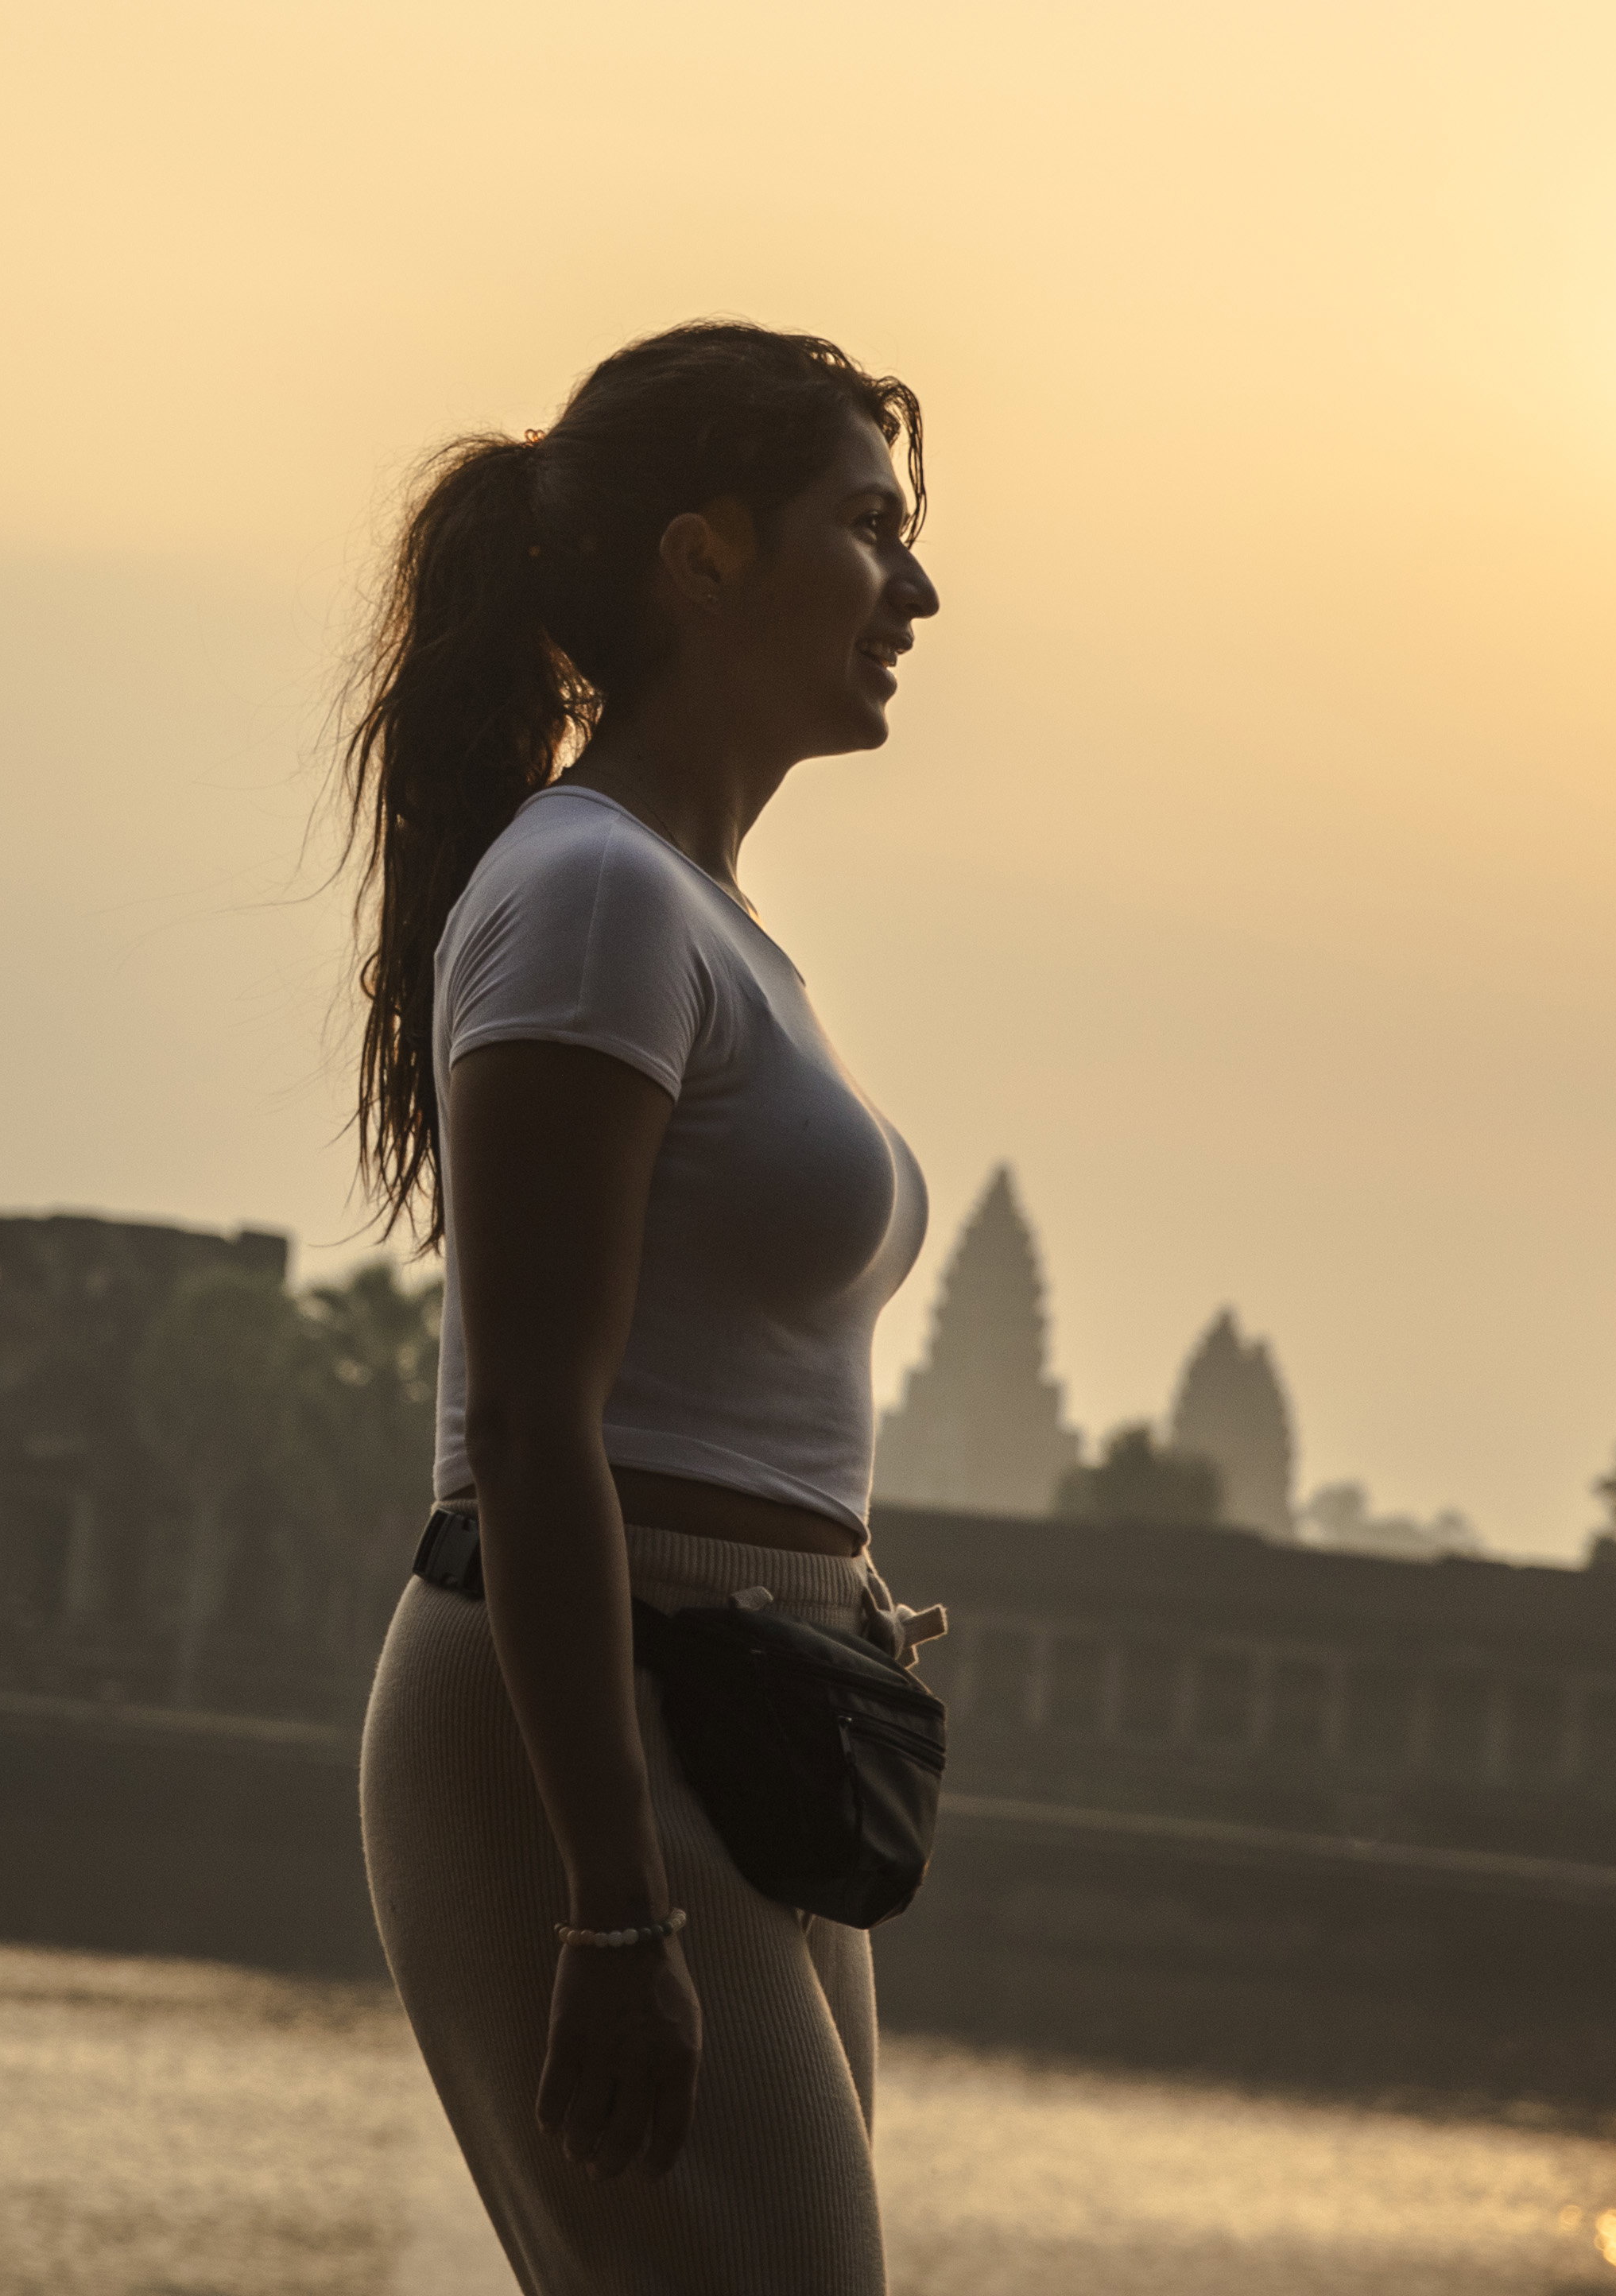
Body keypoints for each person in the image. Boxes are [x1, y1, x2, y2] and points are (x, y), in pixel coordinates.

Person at [343, 320, 948, 2296]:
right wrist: (611, 1905)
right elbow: (530, 1423)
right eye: (870, 528)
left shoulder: (694, 911)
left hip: (750, 1714)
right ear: (706, 555)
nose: (917, 588)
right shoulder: (593, 892)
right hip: (591, 1717)